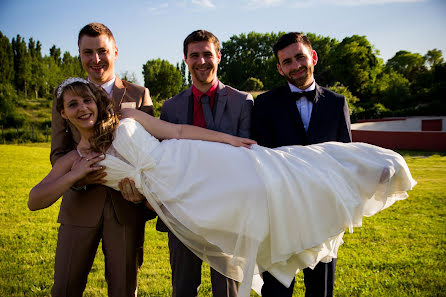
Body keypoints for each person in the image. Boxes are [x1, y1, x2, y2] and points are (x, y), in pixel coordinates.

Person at [31, 78, 415, 297]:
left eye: (86, 99)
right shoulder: (74, 158)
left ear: (96, 101)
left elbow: (178, 131)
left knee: (275, 170)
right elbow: (35, 200)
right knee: (236, 233)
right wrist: (73, 174)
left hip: (192, 159)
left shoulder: (127, 116)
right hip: (176, 198)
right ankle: (291, 239)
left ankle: (363, 173)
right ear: (63, 113)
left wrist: (229, 141)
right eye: (72, 104)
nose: (82, 108)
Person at [120, 29, 253, 297]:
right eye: (195, 55)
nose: (201, 61)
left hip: (228, 211)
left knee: (228, 290)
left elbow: (247, 157)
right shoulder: (171, 107)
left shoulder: (243, 102)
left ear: (219, 57)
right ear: (185, 59)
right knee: (182, 287)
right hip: (181, 213)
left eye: (207, 54)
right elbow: (164, 157)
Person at [49, 22, 154, 297]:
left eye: (102, 51)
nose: (95, 59)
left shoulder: (138, 94)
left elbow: (152, 153)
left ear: (115, 51)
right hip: (79, 207)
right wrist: (78, 178)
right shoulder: (66, 97)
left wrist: (141, 194)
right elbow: (58, 152)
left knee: (123, 290)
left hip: (126, 209)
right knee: (64, 289)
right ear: (80, 54)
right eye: (87, 52)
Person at [251, 32, 351, 297]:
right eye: (287, 61)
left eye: (300, 57)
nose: (295, 66)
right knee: (276, 290)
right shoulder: (264, 104)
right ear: (279, 67)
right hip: (279, 215)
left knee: (321, 290)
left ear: (313, 57)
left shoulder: (337, 103)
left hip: (324, 214)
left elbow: (347, 157)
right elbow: (259, 159)